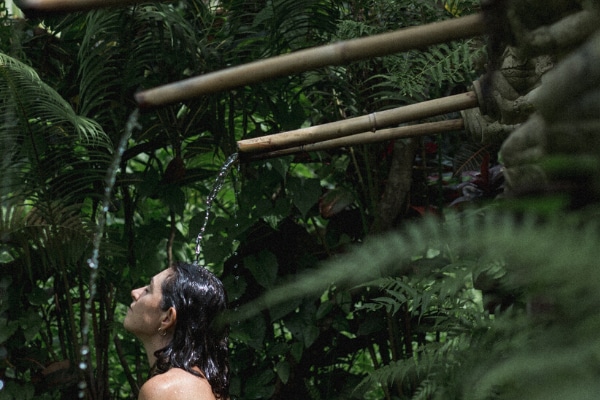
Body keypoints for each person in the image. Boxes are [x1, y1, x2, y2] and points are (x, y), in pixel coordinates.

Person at [124, 261, 229, 400]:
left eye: (148, 290)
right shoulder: (207, 386)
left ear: (167, 318)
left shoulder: (164, 389)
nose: (135, 293)